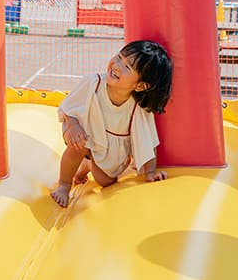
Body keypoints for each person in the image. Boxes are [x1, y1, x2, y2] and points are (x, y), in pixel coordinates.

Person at [50, 40, 173, 208]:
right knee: (77, 146)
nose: (117, 66)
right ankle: (64, 185)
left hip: (110, 151)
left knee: (106, 181)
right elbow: (69, 108)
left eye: (127, 67)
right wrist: (73, 125)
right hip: (84, 133)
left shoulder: (137, 108)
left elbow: (147, 141)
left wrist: (150, 173)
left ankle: (87, 165)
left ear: (140, 86)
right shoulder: (93, 83)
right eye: (119, 57)